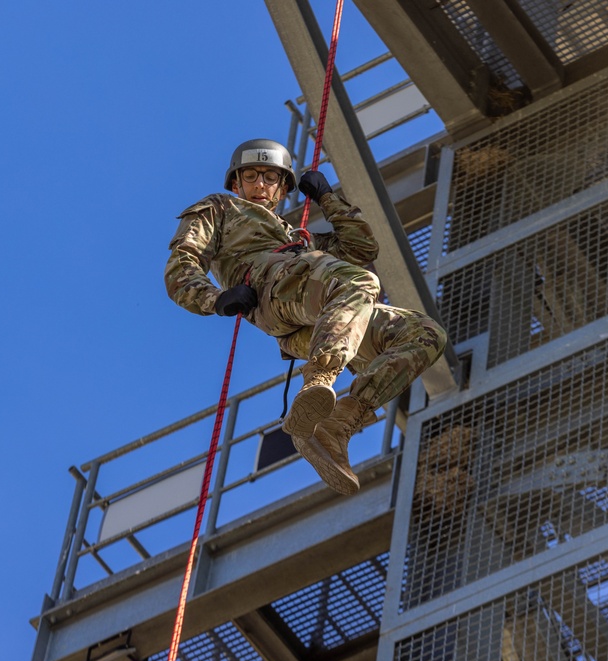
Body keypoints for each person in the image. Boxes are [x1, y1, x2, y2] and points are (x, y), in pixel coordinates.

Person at [165, 138, 447, 495]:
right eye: (250, 176)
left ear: (283, 189)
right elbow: (181, 266)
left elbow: (361, 248)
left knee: (423, 333)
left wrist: (327, 198)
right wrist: (216, 299)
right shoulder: (222, 209)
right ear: (236, 184)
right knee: (359, 281)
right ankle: (319, 379)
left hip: (321, 315)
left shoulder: (299, 238)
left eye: (270, 178)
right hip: (271, 290)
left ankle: (341, 422)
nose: (259, 185)